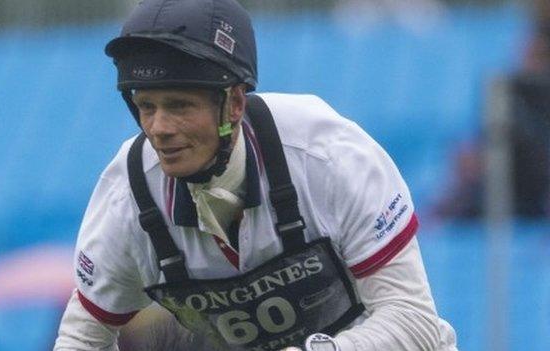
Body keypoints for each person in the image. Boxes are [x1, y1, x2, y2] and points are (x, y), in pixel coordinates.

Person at [54, 0, 458, 350]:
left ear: (233, 103)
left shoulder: (328, 156)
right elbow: (81, 339)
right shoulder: (129, 195)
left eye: (178, 106)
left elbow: (414, 323)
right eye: (146, 107)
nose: (158, 128)